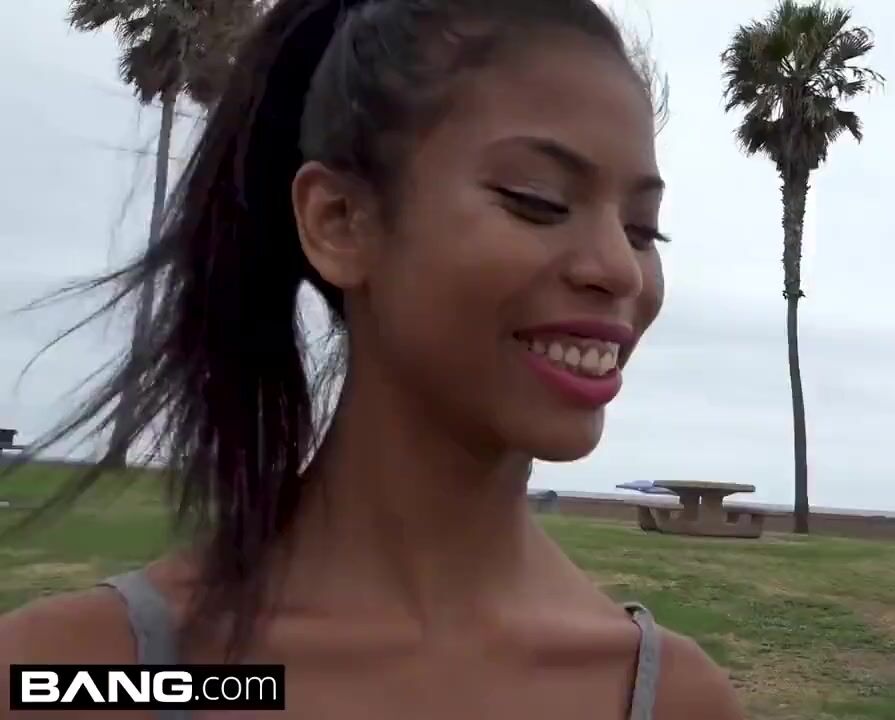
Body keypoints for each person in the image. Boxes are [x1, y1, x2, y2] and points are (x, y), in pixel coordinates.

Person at [0, 1, 744, 718]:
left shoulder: (667, 701)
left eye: (643, 230)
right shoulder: (90, 677)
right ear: (340, 221)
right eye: (537, 200)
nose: (620, 269)